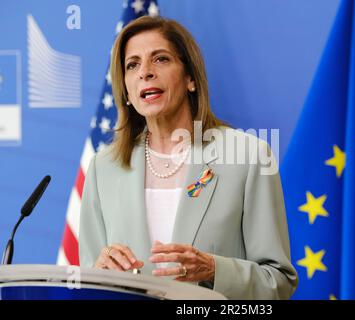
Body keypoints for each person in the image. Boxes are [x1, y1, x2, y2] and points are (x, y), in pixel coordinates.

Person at [79, 16, 297, 300]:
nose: (145, 72)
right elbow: (87, 282)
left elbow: (278, 282)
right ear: (127, 92)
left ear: (190, 78)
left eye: (160, 59)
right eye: (132, 65)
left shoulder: (248, 156)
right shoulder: (103, 168)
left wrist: (214, 269)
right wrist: (98, 273)